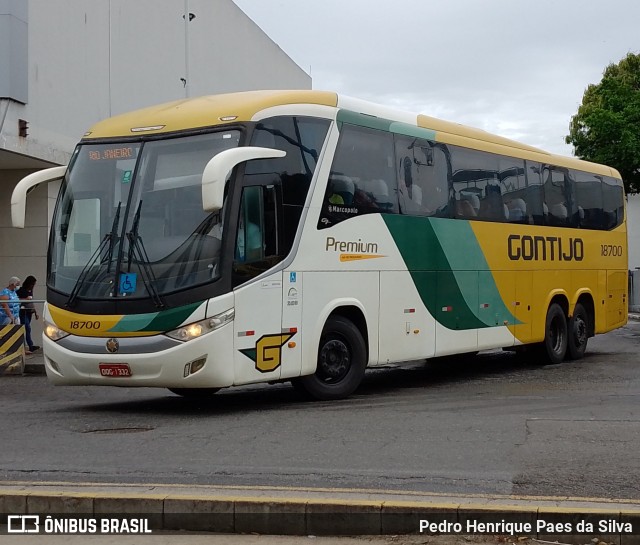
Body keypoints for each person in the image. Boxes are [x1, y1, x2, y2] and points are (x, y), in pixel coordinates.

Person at [17, 275, 40, 353]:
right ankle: (27, 345)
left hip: (29, 311)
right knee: (26, 327)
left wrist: (35, 312)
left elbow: (31, 302)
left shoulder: (30, 291)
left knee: (28, 329)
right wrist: (25, 299)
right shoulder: (21, 290)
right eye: (32, 284)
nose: (33, 286)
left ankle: (30, 346)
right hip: (23, 311)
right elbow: (16, 299)